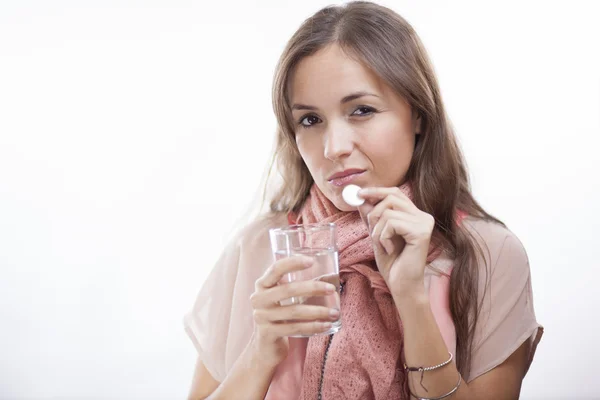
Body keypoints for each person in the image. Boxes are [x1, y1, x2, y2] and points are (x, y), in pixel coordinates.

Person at [183, 1, 543, 399]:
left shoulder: (489, 254)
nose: (334, 147)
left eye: (361, 110)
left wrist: (410, 298)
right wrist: (260, 352)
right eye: (310, 120)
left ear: (418, 114)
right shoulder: (259, 249)